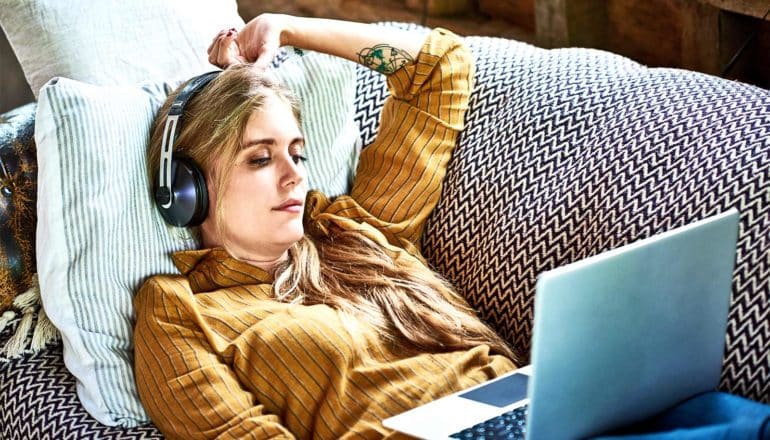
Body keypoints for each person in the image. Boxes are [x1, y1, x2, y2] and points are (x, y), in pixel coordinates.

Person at [133, 13, 517, 439]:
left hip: (530, 408)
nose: (294, 175)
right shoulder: (181, 310)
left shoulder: (354, 229)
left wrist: (286, 28)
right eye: (260, 158)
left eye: (297, 154)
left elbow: (439, 69)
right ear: (186, 189)